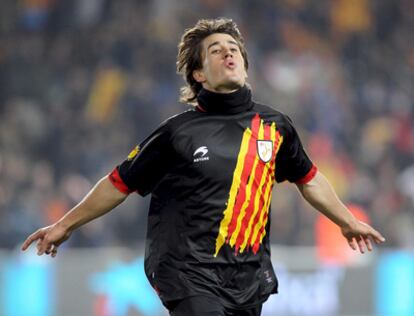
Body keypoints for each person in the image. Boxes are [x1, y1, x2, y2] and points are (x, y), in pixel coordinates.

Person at [22, 18, 385, 316]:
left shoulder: (275, 127)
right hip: (186, 270)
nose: (228, 53)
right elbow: (118, 182)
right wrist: (64, 224)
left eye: (234, 49)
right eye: (216, 50)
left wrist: (346, 221)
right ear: (198, 74)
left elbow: (309, 178)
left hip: (246, 276)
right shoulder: (177, 133)